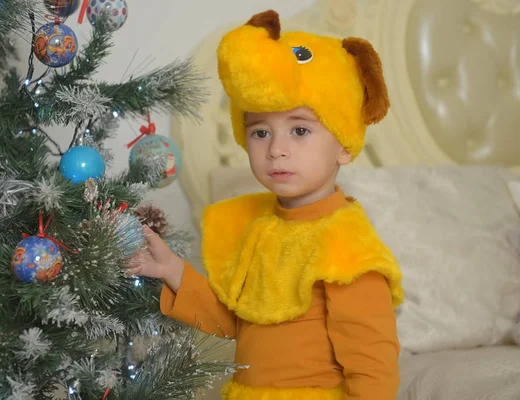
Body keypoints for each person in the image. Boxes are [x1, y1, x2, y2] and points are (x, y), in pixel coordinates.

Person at [125, 9, 404, 400]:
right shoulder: (260, 227)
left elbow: (373, 366)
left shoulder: (347, 248)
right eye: (260, 131)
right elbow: (233, 324)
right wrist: (171, 268)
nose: (276, 150)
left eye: (300, 130)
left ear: (343, 145)